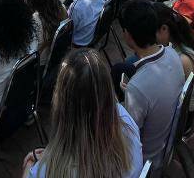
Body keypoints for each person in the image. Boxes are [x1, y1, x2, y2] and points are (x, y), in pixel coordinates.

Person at [23, 49, 143, 178]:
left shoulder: (44, 171)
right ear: (107, 90)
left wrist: (29, 166)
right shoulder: (127, 124)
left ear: (61, 104)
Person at [118, 0, 185, 171]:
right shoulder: (172, 53)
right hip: (165, 138)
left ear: (128, 35)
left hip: (147, 160)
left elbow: (128, 138)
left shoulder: (137, 88)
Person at [153, 3, 194, 110]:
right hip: (183, 108)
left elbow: (163, 94)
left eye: (153, 33)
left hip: (183, 116)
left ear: (164, 29)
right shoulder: (184, 43)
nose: (153, 39)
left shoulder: (182, 59)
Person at [26, 0, 67, 66]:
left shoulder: (36, 19)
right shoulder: (62, 8)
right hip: (57, 60)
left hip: (40, 65)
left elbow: (31, 50)